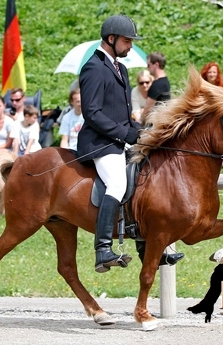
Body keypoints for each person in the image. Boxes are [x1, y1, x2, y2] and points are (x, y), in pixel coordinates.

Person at [77, 15, 182, 273]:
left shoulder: (120, 68)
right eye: (127, 41)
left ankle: (148, 250)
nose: (131, 47)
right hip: (100, 144)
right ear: (111, 39)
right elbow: (92, 113)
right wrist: (126, 134)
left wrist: (143, 132)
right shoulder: (93, 67)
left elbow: (122, 115)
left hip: (119, 138)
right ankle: (102, 249)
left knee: (145, 178)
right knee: (117, 182)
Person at [143, 51, 170, 124]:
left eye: (149, 65)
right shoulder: (165, 81)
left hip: (155, 123)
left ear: (156, 64)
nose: (147, 67)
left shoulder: (157, 85)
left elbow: (147, 110)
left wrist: (140, 121)